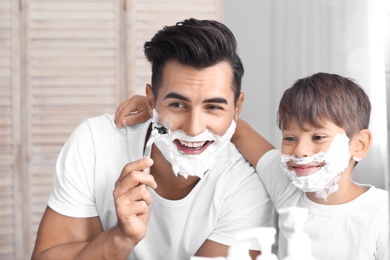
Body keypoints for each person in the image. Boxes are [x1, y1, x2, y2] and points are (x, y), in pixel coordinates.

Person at [31, 18, 275, 260]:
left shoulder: (247, 188)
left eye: (213, 107)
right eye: (178, 105)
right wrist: (121, 238)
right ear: (151, 102)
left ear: (237, 107)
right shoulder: (95, 143)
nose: (193, 128)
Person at [117, 72, 389, 260]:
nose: (300, 150)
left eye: (318, 137)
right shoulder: (286, 186)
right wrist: (164, 109)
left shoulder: (381, 215)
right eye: (289, 138)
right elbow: (238, 130)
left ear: (359, 145)